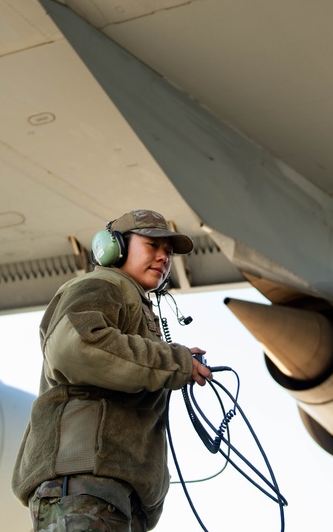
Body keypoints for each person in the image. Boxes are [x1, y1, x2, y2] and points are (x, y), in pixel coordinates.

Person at [12, 209, 213, 532]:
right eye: (152, 246)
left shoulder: (132, 299)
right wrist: (173, 362)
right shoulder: (101, 284)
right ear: (114, 248)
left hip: (112, 495)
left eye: (169, 252)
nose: (163, 258)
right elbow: (77, 346)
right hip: (86, 487)